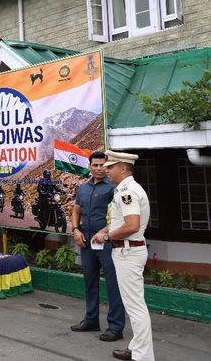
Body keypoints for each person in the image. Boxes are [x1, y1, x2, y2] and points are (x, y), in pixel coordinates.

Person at [91, 151, 154, 361]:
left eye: (110, 167)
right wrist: (105, 230)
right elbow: (121, 221)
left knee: (135, 306)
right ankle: (137, 348)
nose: (106, 170)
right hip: (126, 250)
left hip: (128, 251)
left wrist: (106, 236)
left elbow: (132, 225)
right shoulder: (124, 189)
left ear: (123, 168)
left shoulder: (128, 191)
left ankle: (142, 356)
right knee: (133, 304)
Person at [70, 151, 125, 342]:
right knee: (90, 282)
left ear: (107, 166)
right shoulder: (83, 188)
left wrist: (104, 232)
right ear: (90, 166)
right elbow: (76, 210)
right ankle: (91, 320)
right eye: (95, 165)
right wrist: (75, 230)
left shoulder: (114, 188)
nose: (99, 168)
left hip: (108, 243)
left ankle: (115, 327)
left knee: (113, 285)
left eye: (102, 165)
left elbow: (120, 217)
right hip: (86, 243)